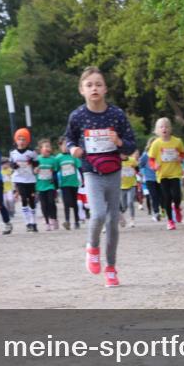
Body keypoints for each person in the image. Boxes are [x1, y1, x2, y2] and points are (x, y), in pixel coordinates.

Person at [65, 66, 137, 287]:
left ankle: (111, 268)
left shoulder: (116, 115)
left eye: (98, 84)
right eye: (89, 85)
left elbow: (132, 143)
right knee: (97, 215)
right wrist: (72, 150)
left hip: (113, 170)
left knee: (113, 222)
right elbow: (68, 139)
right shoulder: (77, 116)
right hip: (91, 171)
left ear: (105, 89)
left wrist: (119, 143)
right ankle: (92, 247)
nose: (94, 88)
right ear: (82, 91)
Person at [148, 118, 184, 231]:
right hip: (163, 175)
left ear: (170, 129)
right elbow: (151, 160)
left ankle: (177, 207)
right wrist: (154, 166)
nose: (164, 129)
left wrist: (180, 158)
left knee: (177, 196)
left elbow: (183, 153)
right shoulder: (156, 144)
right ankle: (170, 221)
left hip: (175, 173)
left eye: (166, 126)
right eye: (161, 127)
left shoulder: (177, 141)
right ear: (157, 130)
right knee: (167, 198)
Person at [10, 128, 39, 232]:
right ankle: (27, 223)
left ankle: (33, 222)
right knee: (23, 198)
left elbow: (36, 164)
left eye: (24, 139)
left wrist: (34, 165)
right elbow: (11, 164)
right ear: (16, 140)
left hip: (30, 179)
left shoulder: (32, 152)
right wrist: (14, 166)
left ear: (27, 141)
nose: (21, 142)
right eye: (19, 139)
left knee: (31, 200)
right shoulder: (13, 153)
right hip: (19, 178)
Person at [56, 138, 82, 230]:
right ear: (60, 146)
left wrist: (83, 180)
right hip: (64, 184)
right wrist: (55, 183)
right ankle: (67, 221)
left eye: (67, 145)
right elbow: (55, 170)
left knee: (74, 203)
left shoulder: (73, 156)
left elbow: (79, 168)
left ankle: (77, 221)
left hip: (74, 183)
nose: (65, 147)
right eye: (63, 145)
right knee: (66, 202)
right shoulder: (58, 158)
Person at [35, 138, 60, 230]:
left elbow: (56, 170)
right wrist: (35, 170)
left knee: (51, 202)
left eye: (49, 146)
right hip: (40, 185)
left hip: (50, 185)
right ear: (40, 149)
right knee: (43, 204)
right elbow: (33, 171)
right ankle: (47, 222)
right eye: (45, 146)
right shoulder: (37, 159)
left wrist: (53, 173)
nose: (47, 148)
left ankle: (54, 219)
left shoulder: (53, 159)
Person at [141, 138, 161, 222]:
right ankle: (156, 213)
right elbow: (141, 165)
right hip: (149, 179)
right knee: (154, 196)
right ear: (150, 145)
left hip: (160, 177)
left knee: (161, 195)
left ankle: (162, 209)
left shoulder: (160, 154)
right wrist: (142, 174)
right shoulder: (145, 155)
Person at [119, 151, 139, 227]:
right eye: (121, 153)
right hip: (121, 186)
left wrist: (135, 171)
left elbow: (137, 169)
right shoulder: (118, 161)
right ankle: (121, 218)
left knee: (130, 202)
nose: (123, 155)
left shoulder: (132, 160)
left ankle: (132, 220)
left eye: (124, 153)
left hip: (132, 184)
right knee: (124, 206)